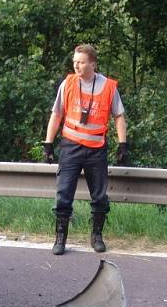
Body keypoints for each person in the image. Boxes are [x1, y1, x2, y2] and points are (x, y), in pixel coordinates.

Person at [43, 44, 128, 255]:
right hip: (70, 147)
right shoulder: (68, 83)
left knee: (99, 196)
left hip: (96, 149)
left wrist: (122, 143)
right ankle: (60, 238)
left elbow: (119, 116)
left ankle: (97, 236)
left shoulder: (108, 87)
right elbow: (57, 114)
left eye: (80, 62)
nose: (76, 65)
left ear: (92, 63)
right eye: (74, 62)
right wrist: (48, 143)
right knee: (64, 194)